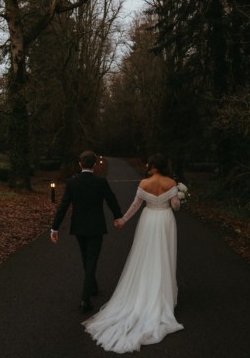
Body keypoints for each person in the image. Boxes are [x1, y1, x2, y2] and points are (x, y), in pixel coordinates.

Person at [82, 153, 184, 353]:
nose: (147, 165)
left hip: (148, 220)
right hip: (164, 221)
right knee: (164, 256)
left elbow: (135, 206)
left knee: (145, 256)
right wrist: (179, 195)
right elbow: (175, 207)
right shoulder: (171, 182)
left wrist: (122, 220)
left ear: (154, 166)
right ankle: (163, 295)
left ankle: (145, 289)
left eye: (149, 163)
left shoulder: (144, 183)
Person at [50, 150, 123, 313]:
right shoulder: (101, 182)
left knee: (86, 257)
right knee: (91, 260)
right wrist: (117, 216)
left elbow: (63, 206)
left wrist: (55, 227)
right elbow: (112, 200)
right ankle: (85, 299)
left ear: (80, 164)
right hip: (96, 227)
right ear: (95, 165)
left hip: (79, 227)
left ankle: (93, 287)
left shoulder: (72, 183)